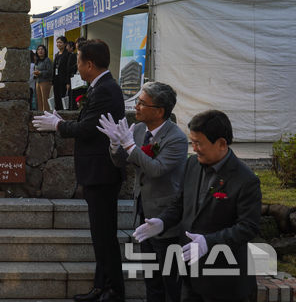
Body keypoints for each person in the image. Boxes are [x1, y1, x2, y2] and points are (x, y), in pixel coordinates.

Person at [133, 110, 262, 302]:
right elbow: (180, 203)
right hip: (189, 275)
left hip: (225, 279)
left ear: (221, 144)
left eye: (199, 143)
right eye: (192, 142)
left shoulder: (245, 180)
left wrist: (209, 242)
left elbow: (248, 227)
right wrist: (162, 222)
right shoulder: (193, 164)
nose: (194, 148)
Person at [33, 39, 125, 302]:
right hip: (96, 171)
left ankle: (114, 291)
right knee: (100, 235)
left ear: (90, 64)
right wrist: (61, 121)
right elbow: (88, 122)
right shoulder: (100, 87)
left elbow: (87, 129)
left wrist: (58, 126)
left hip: (102, 172)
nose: (77, 67)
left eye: (79, 62)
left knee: (105, 235)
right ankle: (101, 287)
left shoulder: (106, 89)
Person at [101, 82, 188, 302]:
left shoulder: (176, 138)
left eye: (141, 103)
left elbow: (156, 169)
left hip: (166, 218)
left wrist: (130, 147)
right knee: (151, 279)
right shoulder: (139, 130)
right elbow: (122, 160)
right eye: (137, 102)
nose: (136, 107)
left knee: (170, 282)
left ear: (159, 111)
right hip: (142, 212)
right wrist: (114, 145)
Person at [52, 36, 71, 110]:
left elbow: (68, 69)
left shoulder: (68, 55)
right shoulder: (56, 55)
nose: (58, 44)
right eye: (57, 42)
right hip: (56, 79)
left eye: (60, 42)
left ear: (65, 44)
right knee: (56, 97)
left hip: (63, 80)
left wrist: (68, 82)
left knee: (63, 97)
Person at [33, 44, 52, 111]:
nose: (40, 51)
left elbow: (50, 72)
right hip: (38, 81)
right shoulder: (37, 61)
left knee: (45, 99)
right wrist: (35, 74)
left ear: (45, 51)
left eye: (42, 49)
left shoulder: (47, 60)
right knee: (39, 100)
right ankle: (40, 114)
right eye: (38, 49)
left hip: (45, 82)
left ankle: (46, 115)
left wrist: (40, 73)